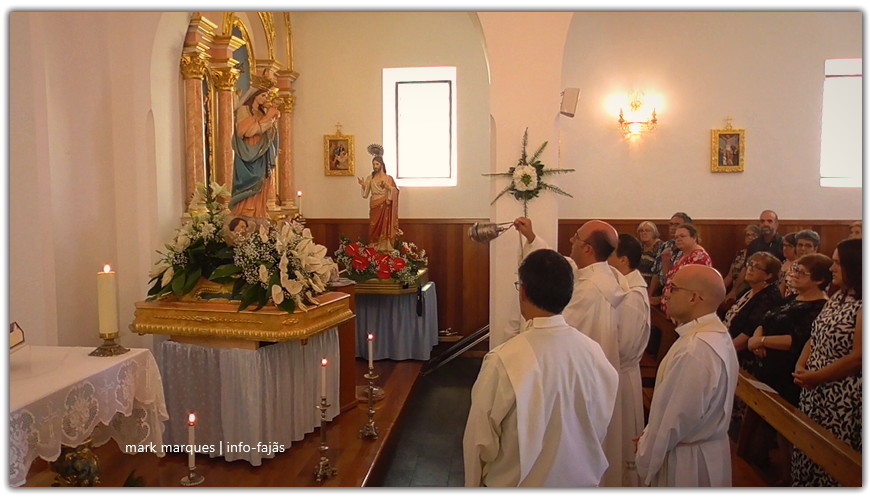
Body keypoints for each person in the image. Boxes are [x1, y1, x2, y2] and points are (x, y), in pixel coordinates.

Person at [462, 248, 619, 487]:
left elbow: (479, 442)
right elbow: (597, 424)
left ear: (523, 291)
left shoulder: (503, 360)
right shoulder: (595, 353)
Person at [513, 217, 627, 486]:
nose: (571, 241)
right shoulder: (606, 276)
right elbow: (563, 266)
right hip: (595, 375)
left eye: (576, 237)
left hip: (570, 379)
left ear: (588, 249)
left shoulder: (588, 289)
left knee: (565, 448)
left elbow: (550, 324)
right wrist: (533, 240)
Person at [635, 265, 738, 487]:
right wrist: (649, 433)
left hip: (686, 464)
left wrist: (646, 449)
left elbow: (675, 419)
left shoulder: (696, 349)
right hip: (703, 451)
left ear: (693, 298)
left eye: (674, 288)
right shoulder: (715, 335)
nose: (667, 294)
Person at [791, 238, 862, 487]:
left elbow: (859, 356)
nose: (832, 269)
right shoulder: (839, 295)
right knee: (807, 449)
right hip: (814, 388)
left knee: (831, 461)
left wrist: (818, 377)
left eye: (837, 263)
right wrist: (802, 364)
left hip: (841, 395)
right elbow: (816, 333)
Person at [749, 253, 832, 408]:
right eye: (795, 270)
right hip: (766, 366)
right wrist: (757, 338)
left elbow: (797, 339)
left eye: (801, 272)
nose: (794, 275)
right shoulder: (793, 298)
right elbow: (766, 319)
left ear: (819, 280)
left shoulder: (820, 306)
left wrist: (761, 341)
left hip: (785, 372)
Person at [607, 234, 651, 487]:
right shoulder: (623, 288)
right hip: (615, 372)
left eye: (610, 256)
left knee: (621, 441)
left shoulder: (632, 295)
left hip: (621, 376)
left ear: (623, 260)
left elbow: (625, 345)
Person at [722, 251, 783, 434]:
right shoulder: (750, 291)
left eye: (757, 267)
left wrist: (723, 352)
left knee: (737, 411)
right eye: (750, 264)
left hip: (744, 360)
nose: (750, 269)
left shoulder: (768, 297)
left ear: (769, 275)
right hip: (731, 351)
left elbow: (748, 333)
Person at [229, 86, 280, 219]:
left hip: (262, 152)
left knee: (262, 180)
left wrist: (272, 121)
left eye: (266, 96)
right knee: (254, 179)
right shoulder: (244, 110)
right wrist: (268, 118)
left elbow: (270, 133)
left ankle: (259, 211)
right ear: (255, 96)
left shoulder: (262, 113)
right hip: (249, 151)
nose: (265, 99)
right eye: (263, 95)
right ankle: (247, 210)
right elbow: (246, 131)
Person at [728, 210, 783, 302]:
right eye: (762, 221)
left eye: (769, 221)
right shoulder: (754, 244)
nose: (765, 224)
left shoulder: (783, 244)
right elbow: (746, 268)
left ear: (777, 224)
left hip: (773, 290)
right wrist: (734, 291)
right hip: (751, 287)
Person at [659, 224, 712, 319]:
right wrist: (666, 262)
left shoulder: (699, 257)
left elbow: (692, 287)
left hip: (685, 312)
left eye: (682, 236)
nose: (678, 239)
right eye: (676, 237)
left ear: (694, 237)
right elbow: (671, 280)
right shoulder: (683, 255)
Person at [358, 148, 399, 253]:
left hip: (385, 206)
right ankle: (374, 246)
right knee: (373, 227)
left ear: (382, 165)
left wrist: (388, 187)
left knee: (384, 226)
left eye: (377, 164)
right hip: (374, 206)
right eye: (373, 164)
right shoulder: (370, 178)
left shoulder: (388, 178)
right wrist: (363, 186)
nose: (375, 166)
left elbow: (395, 191)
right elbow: (366, 194)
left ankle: (385, 247)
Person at [649, 212, 692, 302]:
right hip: (660, 289)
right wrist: (649, 294)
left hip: (677, 294)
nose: (673, 227)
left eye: (677, 225)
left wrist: (661, 298)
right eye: (671, 224)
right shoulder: (666, 245)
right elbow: (656, 273)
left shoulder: (689, 250)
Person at [723, 224, 761, 296]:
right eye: (748, 235)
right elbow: (730, 276)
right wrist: (719, 288)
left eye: (754, 235)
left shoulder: (759, 256)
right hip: (734, 289)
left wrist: (734, 291)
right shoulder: (739, 254)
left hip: (747, 291)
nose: (750, 238)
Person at [636, 221, 663, 286]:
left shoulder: (660, 246)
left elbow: (657, 273)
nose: (644, 233)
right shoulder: (640, 246)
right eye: (641, 231)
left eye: (647, 231)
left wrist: (650, 293)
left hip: (653, 286)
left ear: (654, 233)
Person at [778, 233, 798, 298]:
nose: (784, 248)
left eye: (789, 246)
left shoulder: (797, 266)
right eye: (784, 245)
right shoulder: (784, 262)